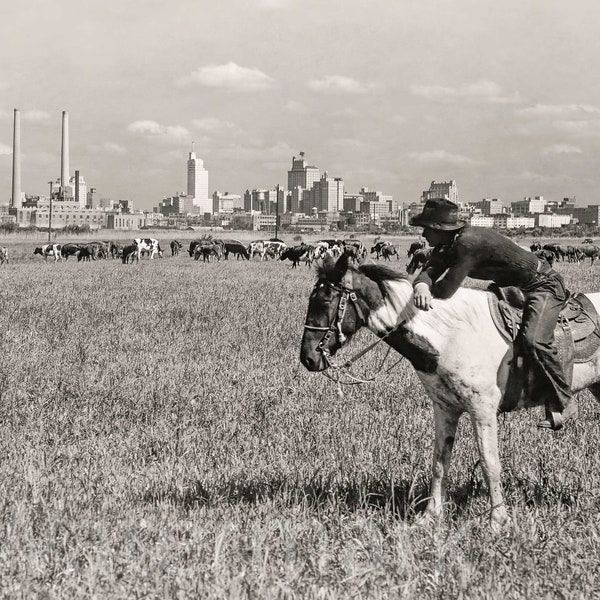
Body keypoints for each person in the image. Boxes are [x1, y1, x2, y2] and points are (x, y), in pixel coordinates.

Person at [410, 198, 574, 430]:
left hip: (541, 285)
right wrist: (421, 286)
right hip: (508, 288)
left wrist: (428, 288)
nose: (423, 234)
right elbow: (430, 270)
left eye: (426, 228)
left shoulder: (469, 243)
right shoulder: (447, 244)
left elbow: (447, 288)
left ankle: (564, 401)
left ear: (438, 228)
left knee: (535, 340)